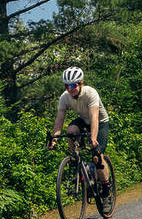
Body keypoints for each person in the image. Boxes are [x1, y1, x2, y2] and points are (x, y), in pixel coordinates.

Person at [47, 66, 112, 198]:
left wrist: (93, 138)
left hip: (100, 122)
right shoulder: (65, 97)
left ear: (81, 83)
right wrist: (54, 138)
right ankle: (78, 162)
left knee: (97, 156)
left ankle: (106, 188)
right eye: (66, 86)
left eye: (73, 85)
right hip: (83, 120)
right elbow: (59, 119)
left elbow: (94, 117)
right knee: (71, 131)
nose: (70, 89)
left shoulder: (90, 93)